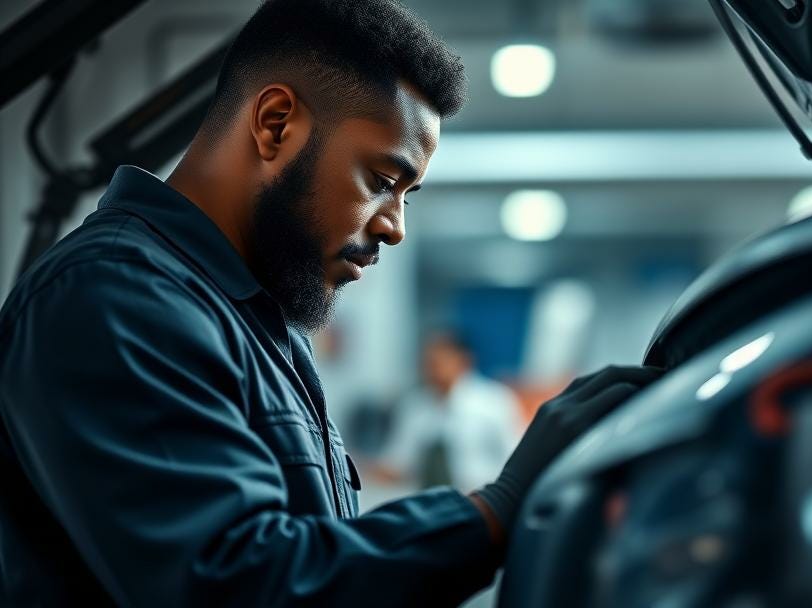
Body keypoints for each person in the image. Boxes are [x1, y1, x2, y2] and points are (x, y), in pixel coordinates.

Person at [0, 0, 661, 606]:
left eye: (407, 195)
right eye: (381, 180)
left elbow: (302, 546)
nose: (393, 226)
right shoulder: (117, 297)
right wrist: (493, 514)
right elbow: (239, 585)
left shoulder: (257, 325)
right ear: (275, 123)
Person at [376, 332, 523, 493]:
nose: (432, 368)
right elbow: (399, 461)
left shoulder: (494, 401)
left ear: (464, 360)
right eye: (428, 361)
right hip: (425, 503)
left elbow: (516, 459)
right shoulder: (414, 406)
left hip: (481, 501)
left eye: (439, 360)